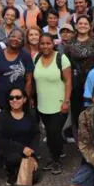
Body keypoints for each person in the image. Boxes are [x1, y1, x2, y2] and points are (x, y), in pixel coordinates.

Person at [34, 33, 72, 175]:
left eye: (48, 43)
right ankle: (55, 154)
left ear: (53, 44)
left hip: (59, 104)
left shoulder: (61, 58)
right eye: (42, 43)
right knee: (50, 133)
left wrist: (66, 101)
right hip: (43, 105)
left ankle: (56, 161)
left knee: (53, 133)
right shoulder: (36, 58)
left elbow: (68, 81)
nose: (45, 46)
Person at [63, 15, 94, 134]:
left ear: (90, 26)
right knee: (77, 107)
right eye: (80, 23)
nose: (83, 26)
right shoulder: (70, 42)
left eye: (85, 24)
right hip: (75, 79)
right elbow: (66, 62)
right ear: (76, 26)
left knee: (92, 106)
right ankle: (80, 133)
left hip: (92, 79)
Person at [0, 88, 41, 186]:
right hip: (10, 149)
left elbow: (36, 135)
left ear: (24, 99)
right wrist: (22, 148)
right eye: (11, 98)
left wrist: (33, 156)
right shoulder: (3, 116)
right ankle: (11, 172)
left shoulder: (31, 114)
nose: (14, 100)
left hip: (28, 151)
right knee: (14, 158)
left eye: (18, 97)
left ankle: (19, 171)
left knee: (34, 178)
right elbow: (2, 140)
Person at [0, 29, 34, 113]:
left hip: (19, 101)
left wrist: (26, 99)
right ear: (8, 38)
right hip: (2, 100)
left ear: (22, 41)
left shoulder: (26, 56)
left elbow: (29, 81)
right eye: (13, 36)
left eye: (19, 38)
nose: (15, 39)